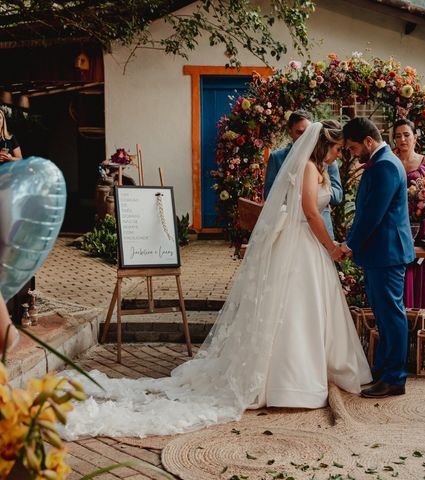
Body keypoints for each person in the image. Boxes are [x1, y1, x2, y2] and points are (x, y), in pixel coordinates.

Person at [62, 121, 371, 439]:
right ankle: (289, 382)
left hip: (308, 248)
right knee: (294, 310)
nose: (337, 155)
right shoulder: (307, 167)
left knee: (309, 308)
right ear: (324, 144)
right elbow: (309, 211)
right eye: (336, 149)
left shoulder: (317, 166)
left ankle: (315, 370)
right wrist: (331, 246)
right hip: (302, 245)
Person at [341, 117, 415, 399]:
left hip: (386, 252)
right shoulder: (384, 160)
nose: (352, 153)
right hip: (380, 252)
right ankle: (384, 370)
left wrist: (349, 245)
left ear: (368, 141)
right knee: (384, 316)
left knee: (391, 315)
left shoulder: (384, 165)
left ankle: (395, 378)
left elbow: (372, 214)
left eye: (353, 147)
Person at [393, 118, 425, 330]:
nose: (402, 139)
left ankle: (424, 334)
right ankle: (403, 334)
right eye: (398, 135)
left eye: (406, 135)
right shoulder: (390, 160)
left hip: (420, 227)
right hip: (395, 226)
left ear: (415, 137)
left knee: (422, 274)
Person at [264, 110, 343, 239]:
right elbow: (269, 193)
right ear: (290, 132)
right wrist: (295, 191)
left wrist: (314, 189)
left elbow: (338, 196)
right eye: (299, 132)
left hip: (322, 225)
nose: (305, 137)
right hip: (288, 228)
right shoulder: (277, 158)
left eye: (308, 132)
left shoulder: (327, 159)